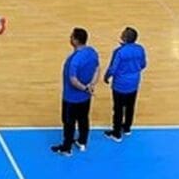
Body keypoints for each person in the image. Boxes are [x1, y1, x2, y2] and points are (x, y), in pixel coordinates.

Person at [52, 27, 100, 155]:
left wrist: (85, 87)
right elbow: (97, 69)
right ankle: (82, 142)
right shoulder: (92, 52)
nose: (70, 38)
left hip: (71, 98)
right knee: (84, 119)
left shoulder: (74, 61)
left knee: (69, 123)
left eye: (71, 37)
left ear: (75, 40)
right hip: (86, 97)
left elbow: (73, 80)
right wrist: (91, 85)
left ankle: (67, 148)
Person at [103, 26, 147, 141]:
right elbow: (143, 64)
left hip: (120, 85)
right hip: (134, 83)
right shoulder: (140, 49)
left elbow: (113, 68)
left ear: (124, 38)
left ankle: (116, 133)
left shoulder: (119, 52)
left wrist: (107, 76)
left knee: (118, 109)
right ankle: (127, 128)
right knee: (130, 107)